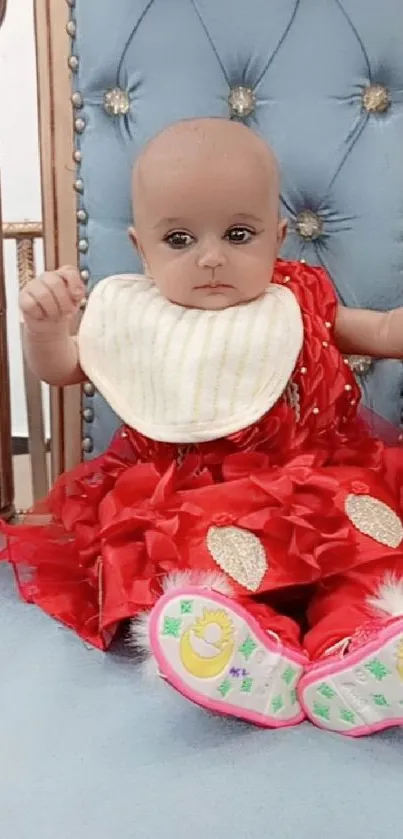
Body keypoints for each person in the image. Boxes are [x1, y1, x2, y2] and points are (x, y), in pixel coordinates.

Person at [3, 117, 403, 737]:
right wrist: (45, 330)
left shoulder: (299, 298)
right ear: (142, 248)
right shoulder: (135, 315)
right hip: (188, 497)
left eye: (238, 234)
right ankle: (239, 650)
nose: (211, 256)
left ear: (277, 237)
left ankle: (360, 645)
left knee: (365, 550)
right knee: (188, 556)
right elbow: (63, 369)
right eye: (180, 238)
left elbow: (378, 332)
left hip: (312, 484)